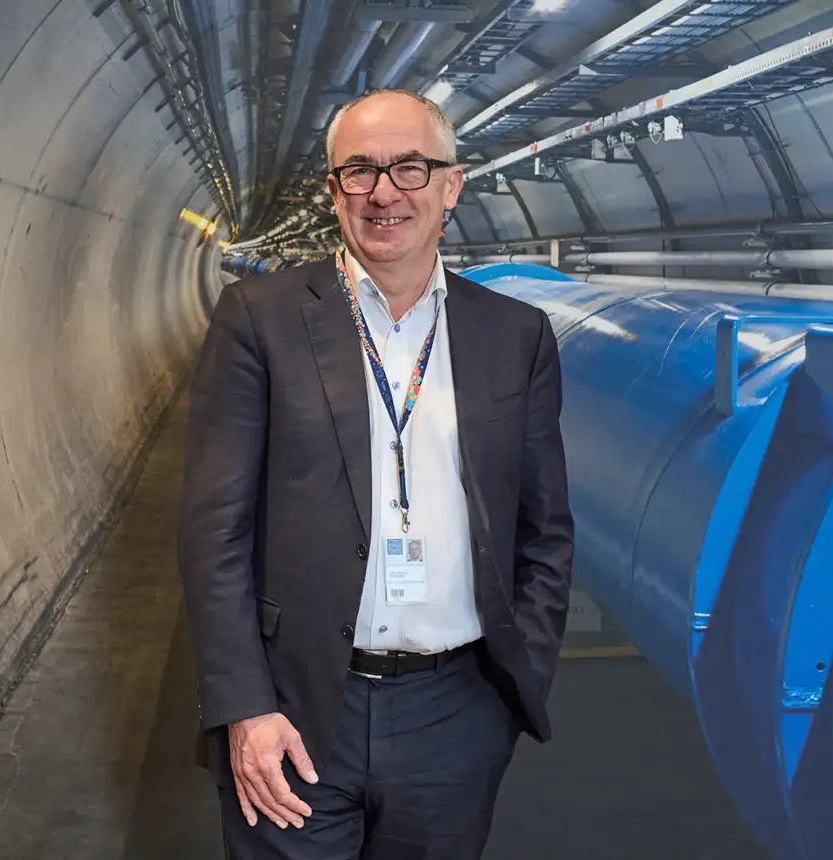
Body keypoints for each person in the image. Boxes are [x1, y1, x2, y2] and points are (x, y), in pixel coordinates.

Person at [177, 88, 575, 859]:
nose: (384, 191)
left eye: (410, 168)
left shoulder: (513, 336)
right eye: (358, 171)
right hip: (294, 710)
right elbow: (213, 535)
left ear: (451, 186)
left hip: (455, 713)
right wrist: (245, 707)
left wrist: (506, 692)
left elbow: (544, 529)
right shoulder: (260, 320)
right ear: (332, 193)